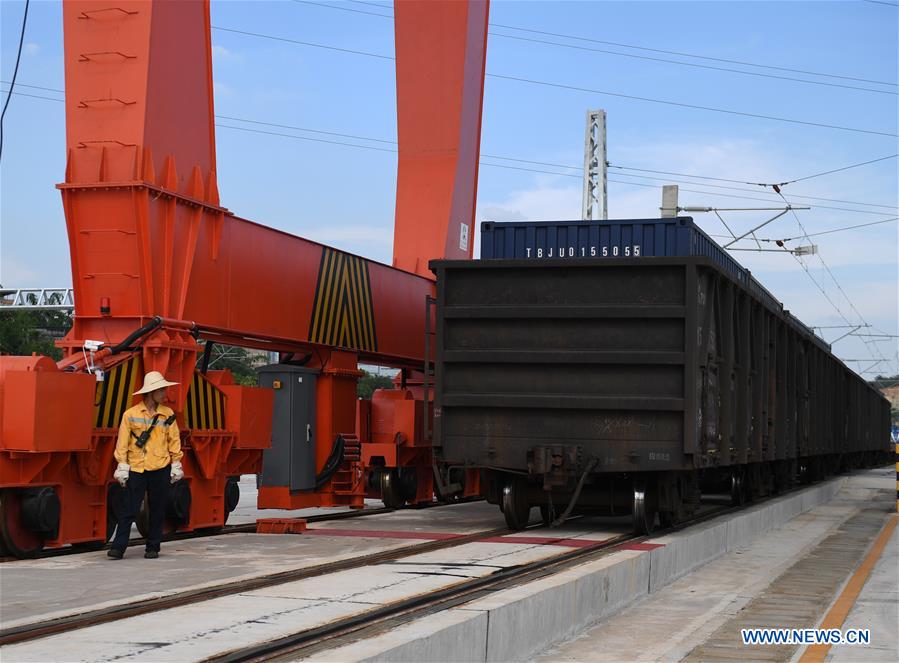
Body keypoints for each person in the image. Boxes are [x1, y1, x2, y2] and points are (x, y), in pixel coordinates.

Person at [108, 371, 184, 559]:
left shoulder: (168, 414)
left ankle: (153, 547)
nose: (165, 392)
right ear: (151, 392)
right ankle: (118, 547)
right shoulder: (130, 415)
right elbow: (122, 442)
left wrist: (176, 463)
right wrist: (122, 465)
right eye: (161, 389)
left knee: (158, 509)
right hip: (137, 467)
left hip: (160, 467)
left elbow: (174, 440)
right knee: (129, 509)